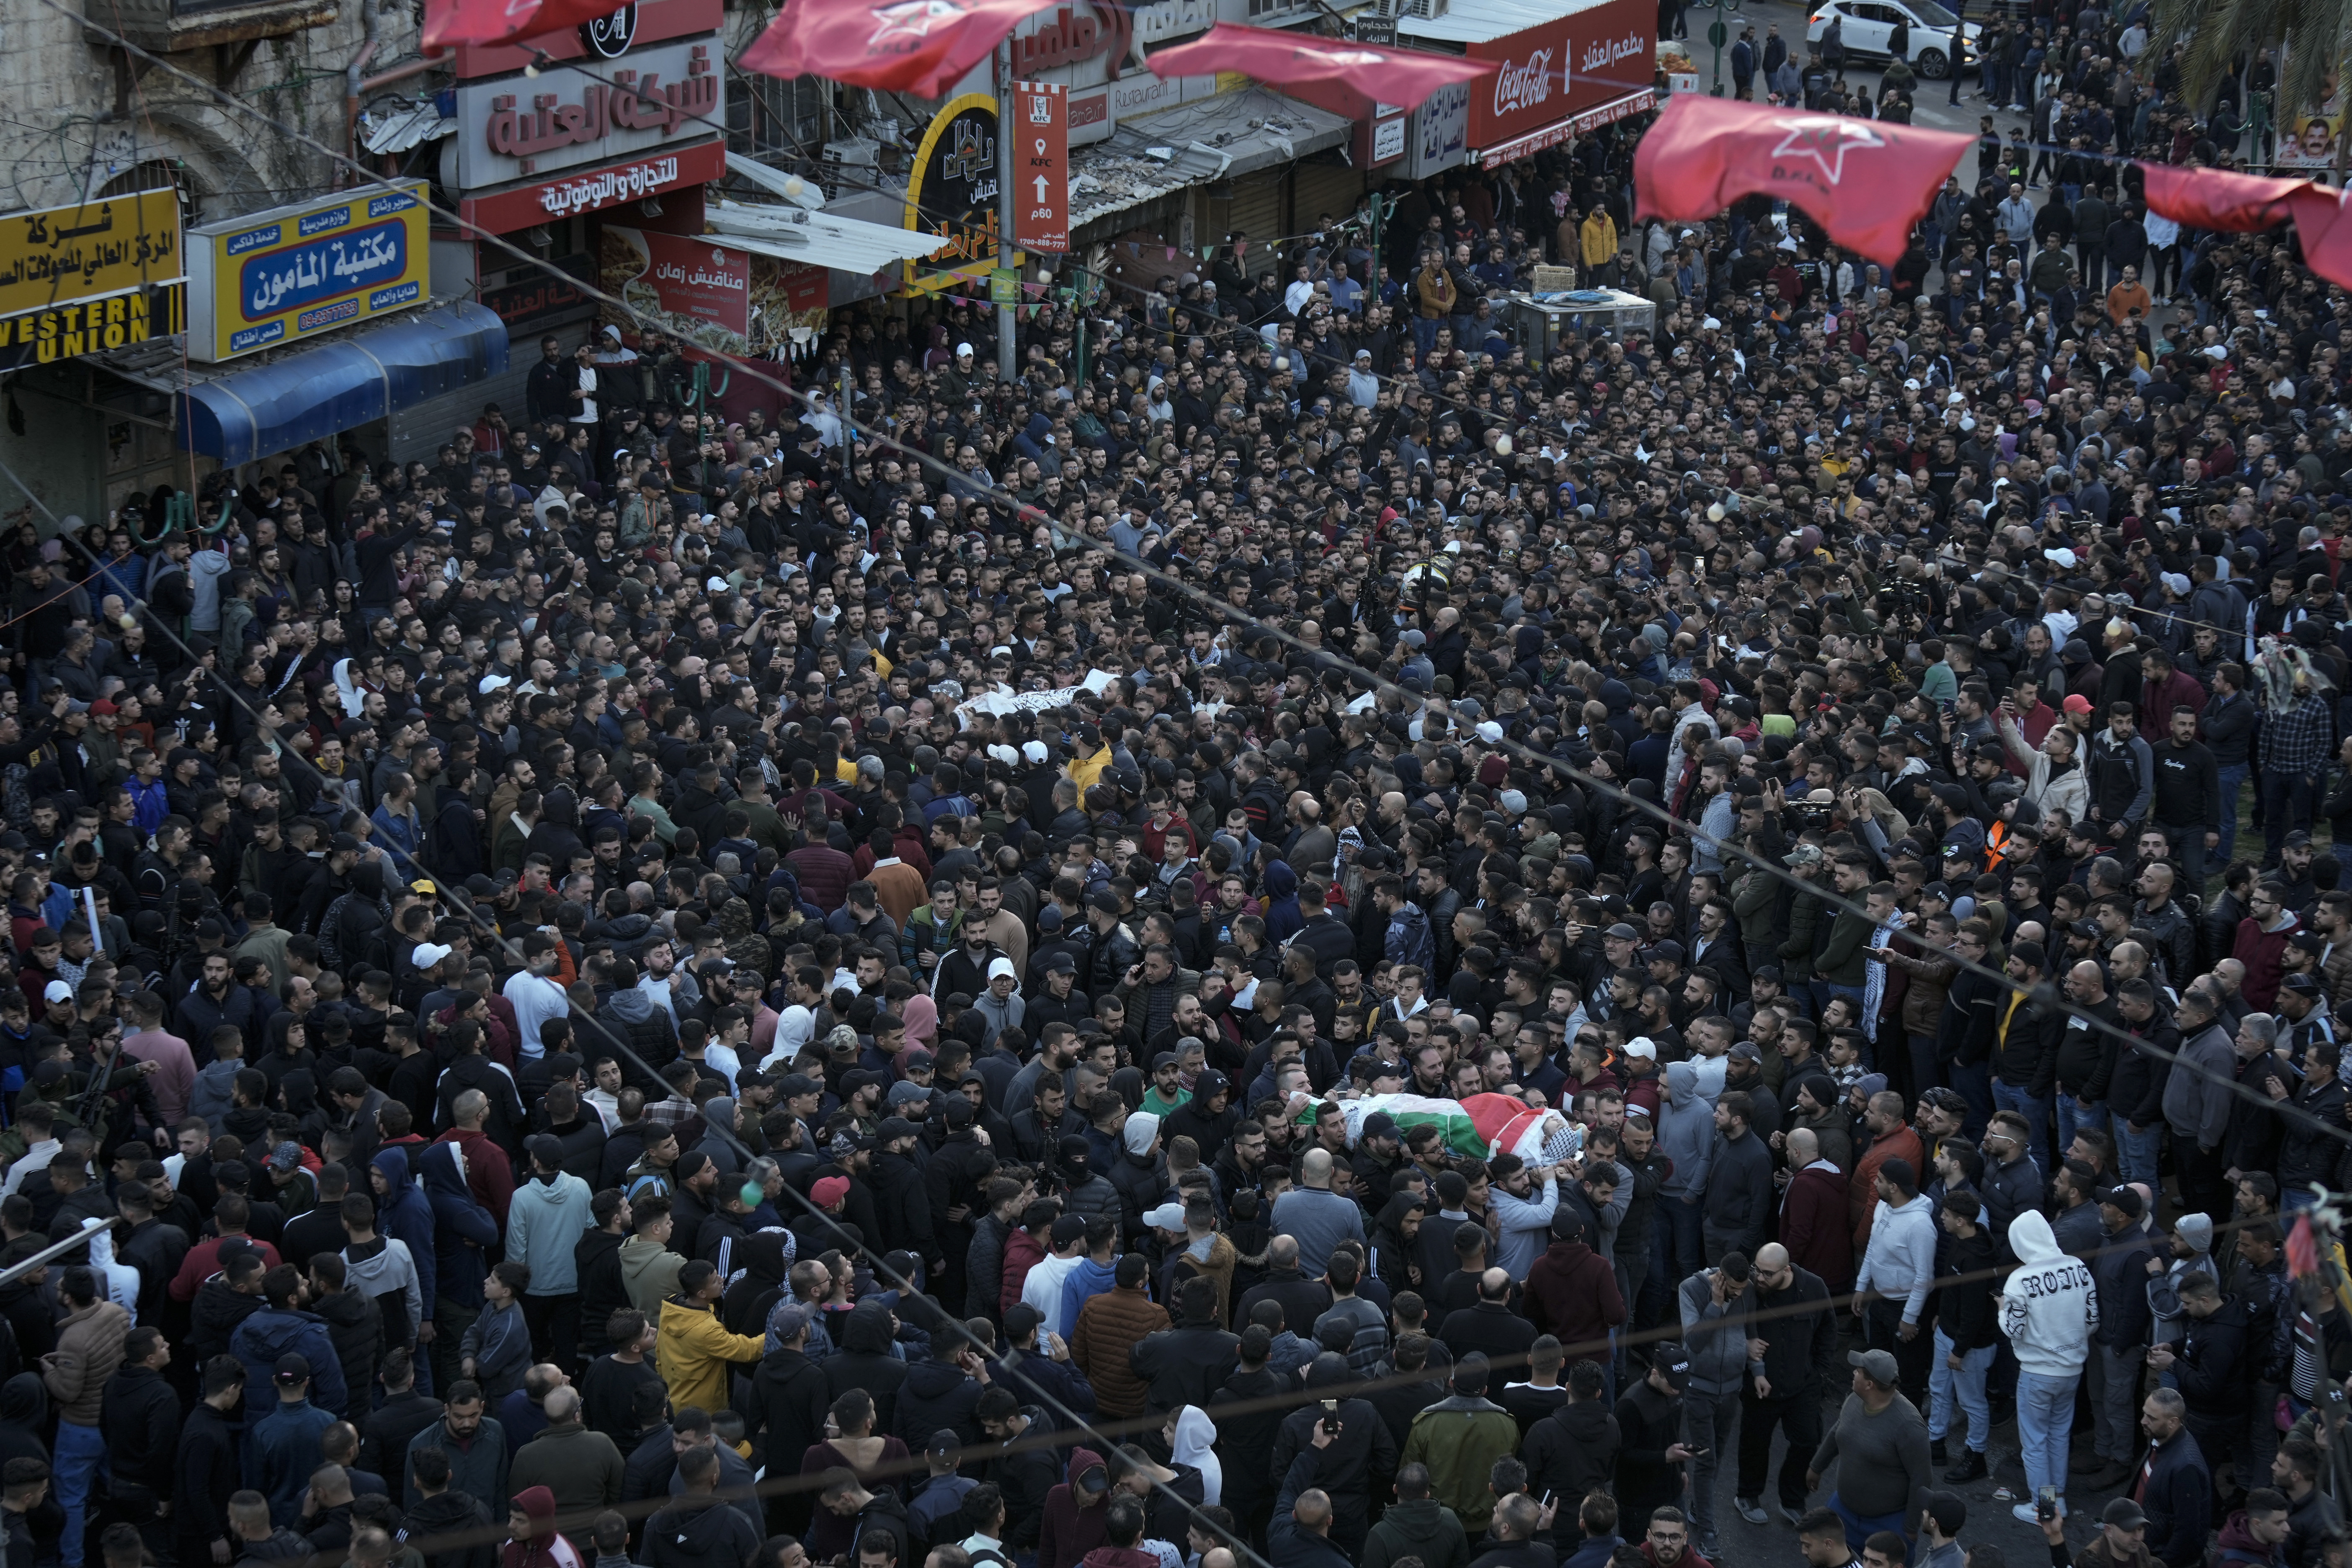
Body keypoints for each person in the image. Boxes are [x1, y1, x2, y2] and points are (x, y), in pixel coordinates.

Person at [1806, 1348, 1932, 1553]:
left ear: (1869, 1384)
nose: (1853, 1373)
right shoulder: (1855, 1399)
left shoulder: (1908, 1425)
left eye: (1858, 1371)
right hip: (1842, 1512)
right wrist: (1816, 1467)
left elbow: (1922, 1478)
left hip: (1886, 1525)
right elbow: (1839, 1430)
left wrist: (1909, 1528)